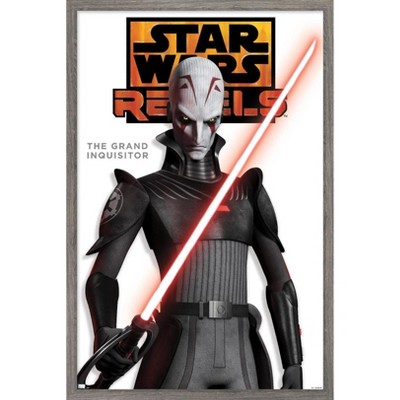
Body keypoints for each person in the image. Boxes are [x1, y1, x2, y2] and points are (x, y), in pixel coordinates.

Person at [85, 57, 303, 389]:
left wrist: (293, 362)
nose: (198, 135)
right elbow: (103, 277)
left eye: (210, 121)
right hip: (178, 350)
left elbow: (281, 286)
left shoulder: (247, 192)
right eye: (186, 120)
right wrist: (104, 331)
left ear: (221, 117)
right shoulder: (143, 192)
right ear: (171, 112)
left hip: (242, 354)